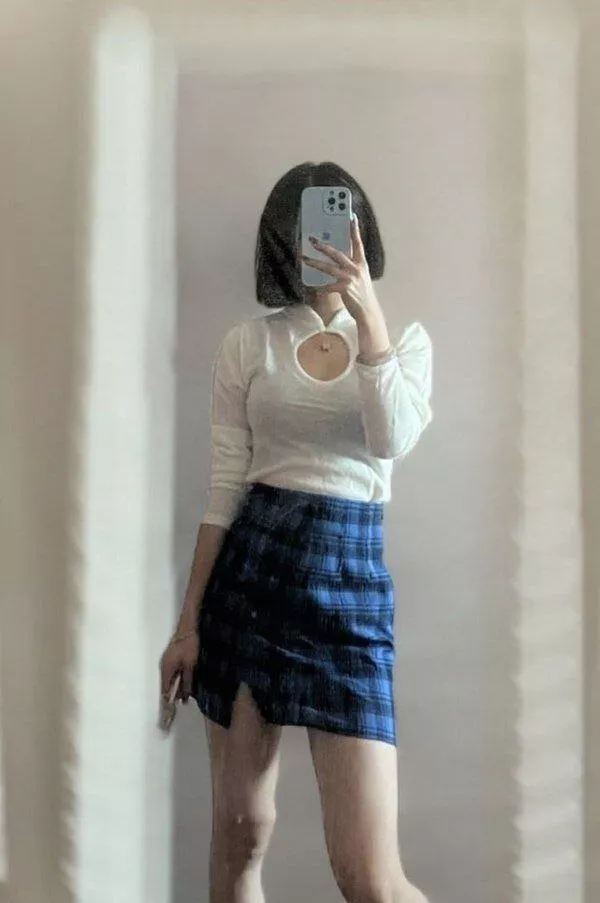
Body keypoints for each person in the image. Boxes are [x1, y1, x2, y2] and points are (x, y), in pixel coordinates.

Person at [160, 161, 433, 903]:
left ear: (361, 231)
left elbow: (391, 438)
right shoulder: (249, 344)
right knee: (242, 832)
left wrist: (368, 318)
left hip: (350, 595)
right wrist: (187, 626)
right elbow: (225, 488)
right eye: (305, 227)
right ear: (282, 239)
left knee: (369, 875)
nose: (323, 241)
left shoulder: (404, 345)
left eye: (338, 223)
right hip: (251, 578)